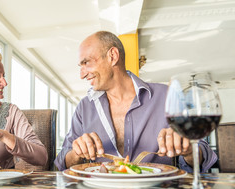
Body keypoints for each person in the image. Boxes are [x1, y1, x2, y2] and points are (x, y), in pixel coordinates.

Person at [54, 31, 217, 173]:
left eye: (86, 63)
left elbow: (202, 153)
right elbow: (62, 163)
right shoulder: (84, 108)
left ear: (112, 56)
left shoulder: (166, 96)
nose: (82, 75)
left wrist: (188, 149)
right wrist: (76, 153)